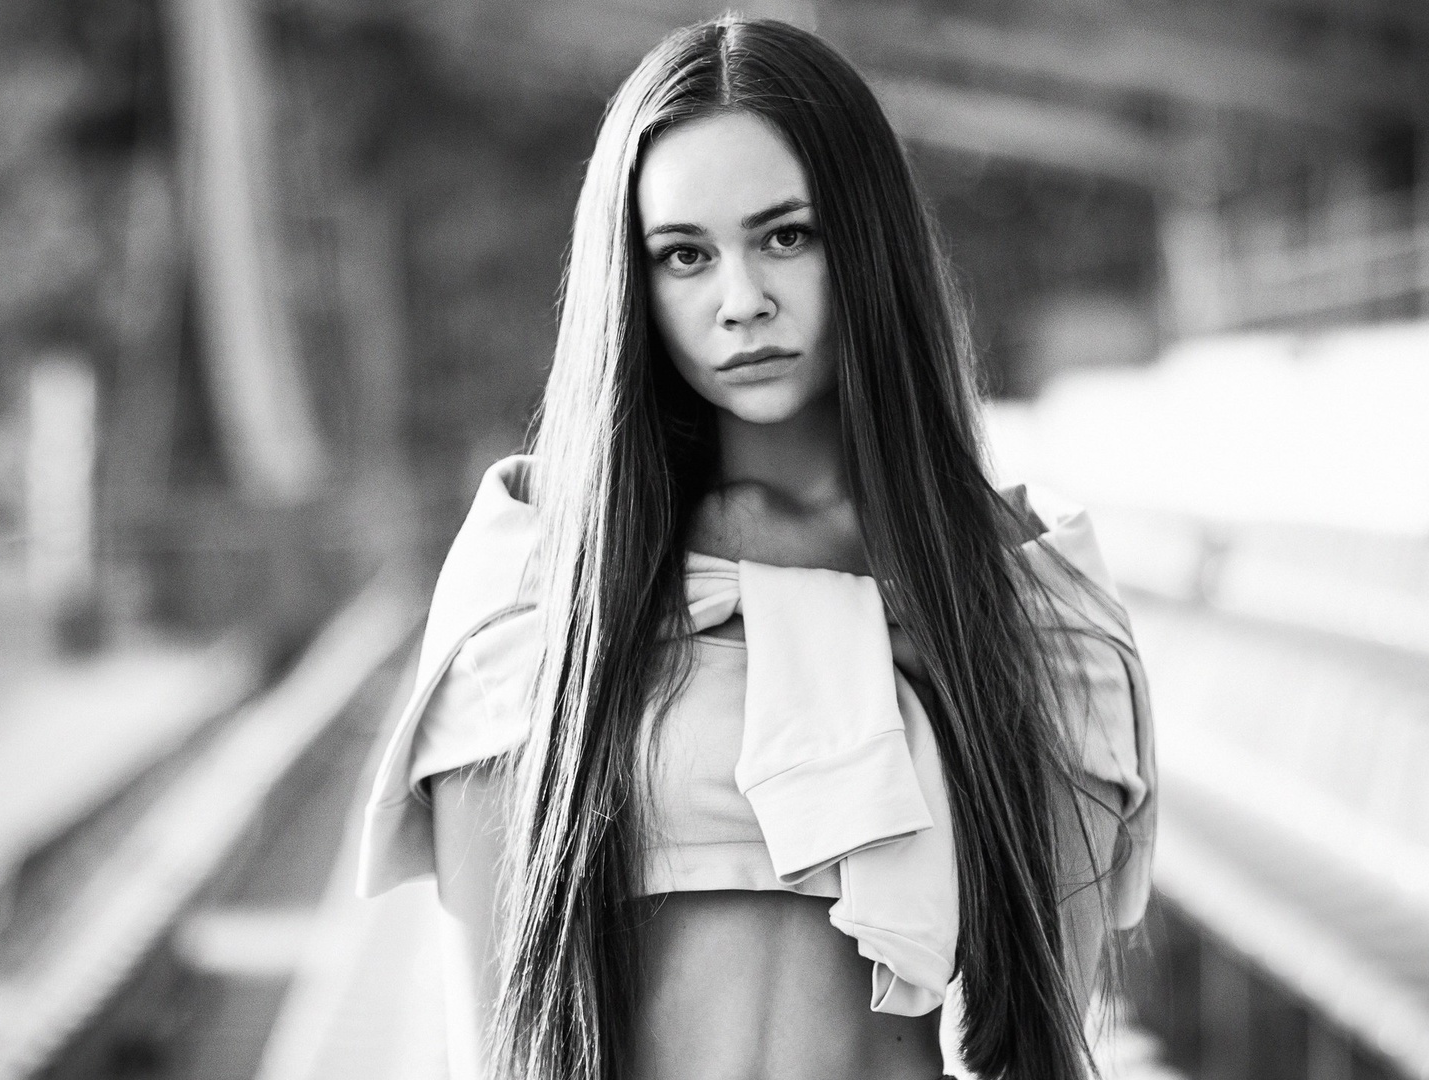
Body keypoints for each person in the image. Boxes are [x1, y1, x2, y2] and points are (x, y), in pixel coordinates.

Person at [357, 15, 1155, 1080]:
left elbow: (1036, 1038)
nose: (742, 303)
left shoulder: (1024, 598)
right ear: (631, 285)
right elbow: (502, 1042)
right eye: (685, 256)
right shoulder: (540, 577)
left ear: (865, 242)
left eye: (788, 235)